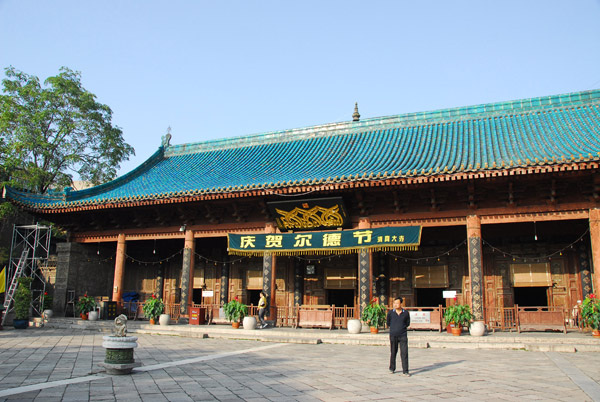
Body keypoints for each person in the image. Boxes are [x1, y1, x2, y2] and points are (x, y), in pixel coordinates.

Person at [387, 297, 410, 376]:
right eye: (394, 303)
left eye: (397, 303)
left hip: (403, 335)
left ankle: (405, 371)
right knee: (393, 352)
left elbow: (407, 323)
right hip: (393, 335)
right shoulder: (390, 313)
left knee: (404, 353)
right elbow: (388, 322)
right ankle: (392, 368)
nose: (395, 305)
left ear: (401, 304)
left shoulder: (406, 313)